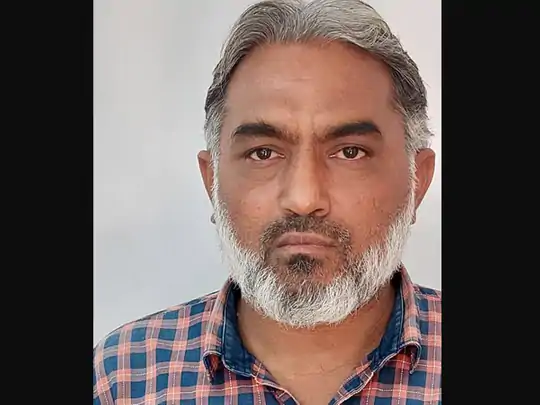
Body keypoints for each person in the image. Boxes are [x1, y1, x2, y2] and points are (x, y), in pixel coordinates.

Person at [93, 0, 441, 403]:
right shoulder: (121, 381)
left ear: (418, 181)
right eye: (263, 153)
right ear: (212, 181)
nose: (303, 198)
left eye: (350, 152)